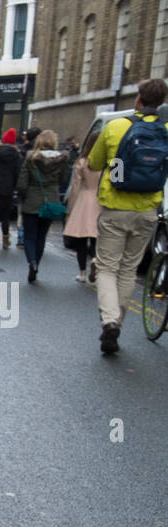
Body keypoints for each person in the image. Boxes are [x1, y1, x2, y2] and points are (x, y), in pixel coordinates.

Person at [87, 78, 168, 354]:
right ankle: (117, 322)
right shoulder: (166, 131)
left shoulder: (117, 127)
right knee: (129, 269)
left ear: (138, 98)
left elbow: (95, 163)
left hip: (115, 208)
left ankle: (109, 322)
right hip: (147, 210)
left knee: (108, 267)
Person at [15, 129, 70, 284]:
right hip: (51, 201)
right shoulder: (62, 159)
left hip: (32, 200)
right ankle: (36, 264)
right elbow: (62, 179)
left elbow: (22, 183)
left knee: (29, 236)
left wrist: (23, 196)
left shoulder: (31, 158)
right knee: (41, 236)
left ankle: (31, 261)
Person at [63, 128, 101, 284]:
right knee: (97, 238)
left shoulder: (81, 162)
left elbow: (76, 186)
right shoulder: (112, 162)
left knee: (81, 239)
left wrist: (70, 208)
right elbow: (117, 182)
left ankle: (82, 273)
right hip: (101, 200)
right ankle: (95, 260)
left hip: (84, 200)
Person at [0, 128, 22, 250]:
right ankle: (5, 240)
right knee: (5, 215)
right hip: (8, 188)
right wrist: (16, 187)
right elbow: (18, 172)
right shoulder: (16, 155)